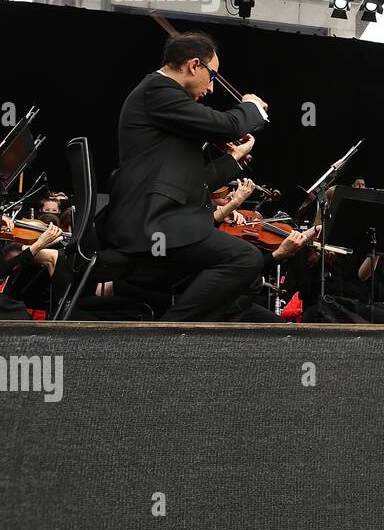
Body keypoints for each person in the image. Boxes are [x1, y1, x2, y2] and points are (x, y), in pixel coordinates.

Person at [99, 31, 269, 321]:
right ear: (194, 65)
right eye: (212, 76)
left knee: (241, 273)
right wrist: (252, 107)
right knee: (244, 258)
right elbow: (229, 125)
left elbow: (195, 181)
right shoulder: (159, 91)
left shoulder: (165, 102)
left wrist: (232, 159)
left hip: (162, 219)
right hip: (150, 222)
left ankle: (176, 329)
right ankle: (171, 333)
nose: (212, 88)